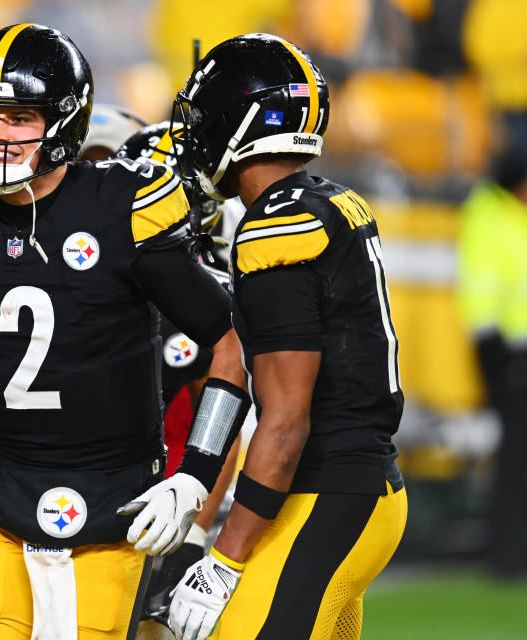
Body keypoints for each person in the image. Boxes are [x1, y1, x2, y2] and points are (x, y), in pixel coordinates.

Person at [0, 23, 248, 640]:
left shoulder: (125, 205)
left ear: (62, 122)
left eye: (18, 118)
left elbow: (228, 346)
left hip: (119, 504)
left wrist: (193, 478)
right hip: (3, 497)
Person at [167, 33, 409, 640]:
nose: (194, 133)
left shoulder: (279, 226)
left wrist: (221, 562)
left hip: (331, 486)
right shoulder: (329, 200)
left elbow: (285, 422)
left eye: (203, 116)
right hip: (356, 484)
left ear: (239, 121)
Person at [114, 121, 240, 640]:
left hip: (168, 490)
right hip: (86, 480)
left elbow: (225, 414)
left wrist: (196, 522)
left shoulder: (208, 296)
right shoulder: (79, 272)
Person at [457, 142, 527, 578]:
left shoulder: (506, 212)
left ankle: (510, 550)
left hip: (510, 349)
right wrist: (496, 362)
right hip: (506, 353)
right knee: (515, 458)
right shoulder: (488, 212)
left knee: (516, 457)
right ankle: (506, 553)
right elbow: (483, 293)